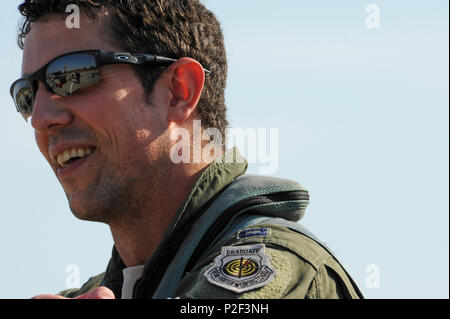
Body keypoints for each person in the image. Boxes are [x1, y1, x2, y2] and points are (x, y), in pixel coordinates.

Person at [11, 0, 363, 299]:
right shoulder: (97, 292)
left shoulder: (279, 275)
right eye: (27, 95)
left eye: (72, 75)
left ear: (179, 90)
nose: (39, 118)